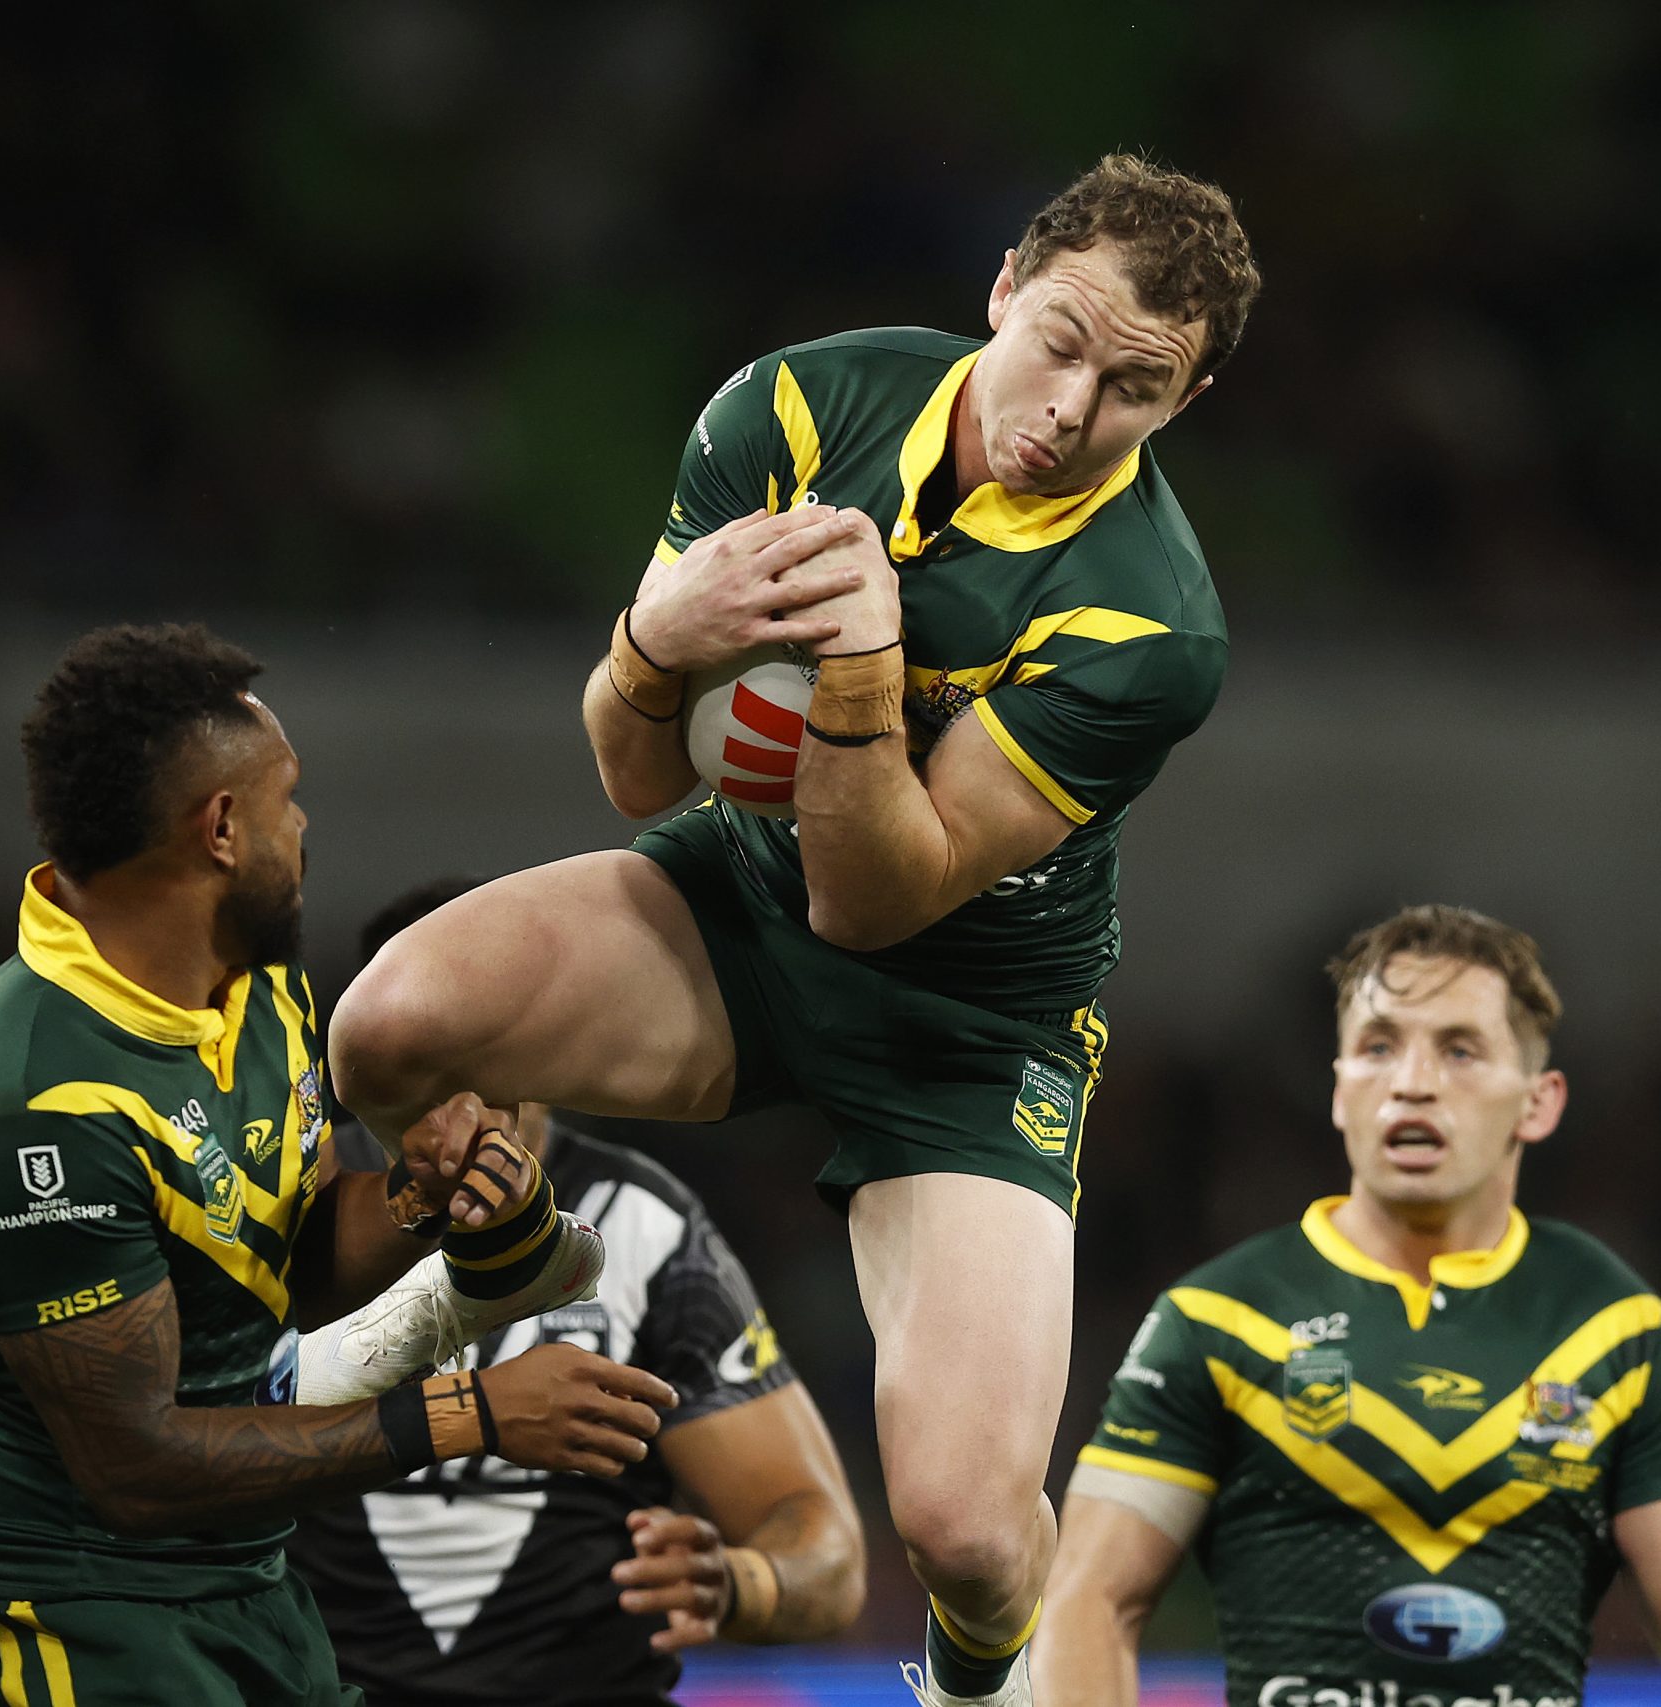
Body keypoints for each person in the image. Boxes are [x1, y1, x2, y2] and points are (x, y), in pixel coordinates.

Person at [328, 153, 1261, 1706]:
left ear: (1189, 400)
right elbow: (638, 775)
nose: (1065, 407)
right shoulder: (793, 409)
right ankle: (505, 1266)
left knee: (965, 1529)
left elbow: (879, 897)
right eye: (1058, 341)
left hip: (972, 1023)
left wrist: (857, 666)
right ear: (1001, 293)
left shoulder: (1154, 625)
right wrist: (652, 640)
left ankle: (977, 1685)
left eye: (1133, 387)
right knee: (385, 1031)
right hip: (740, 897)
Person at [0, 622, 677, 1707]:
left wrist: (420, 1203)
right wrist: (472, 1417)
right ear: (220, 828)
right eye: (286, 797)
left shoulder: (257, 986)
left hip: (253, 1602)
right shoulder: (48, 1099)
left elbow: (286, 1252)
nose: (302, 828)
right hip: (78, 1630)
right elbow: (134, 1469)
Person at [1034, 905, 1661, 1707]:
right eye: (1377, 1046)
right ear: (1340, 1090)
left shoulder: (1612, 1329)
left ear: (1538, 1102)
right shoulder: (1217, 1320)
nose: (1411, 1081)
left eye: (1460, 1048)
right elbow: (1089, 1599)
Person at [288, 877, 865, 1706]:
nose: (455, 1098)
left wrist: (739, 1582)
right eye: (417, 1060)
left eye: (476, 1045)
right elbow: (172, 1460)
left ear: (542, 1037)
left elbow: (825, 1546)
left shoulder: (643, 1226)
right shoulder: (297, 1211)